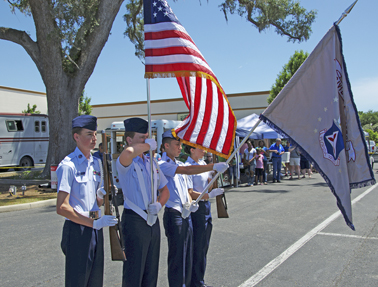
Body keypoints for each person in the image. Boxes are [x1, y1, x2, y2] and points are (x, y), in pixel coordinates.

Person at [158, 131, 228, 287]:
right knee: (178, 260)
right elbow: (189, 171)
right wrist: (214, 166)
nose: (180, 147)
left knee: (188, 257)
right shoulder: (163, 165)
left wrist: (191, 203)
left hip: (186, 213)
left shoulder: (179, 163)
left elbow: (186, 190)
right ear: (166, 146)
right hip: (174, 214)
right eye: (177, 144)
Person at [56, 115, 118, 287]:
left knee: (95, 281)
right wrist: (94, 223)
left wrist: (100, 197)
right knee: (78, 281)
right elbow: (62, 207)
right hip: (78, 230)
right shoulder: (69, 166)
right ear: (76, 137)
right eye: (89, 134)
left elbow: (95, 202)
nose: (94, 138)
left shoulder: (96, 163)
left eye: (95, 134)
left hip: (94, 228)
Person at [116, 118, 170, 287]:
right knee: (134, 272)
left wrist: (160, 204)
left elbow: (165, 190)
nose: (146, 141)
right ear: (129, 140)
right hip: (135, 220)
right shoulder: (125, 162)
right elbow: (127, 153)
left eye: (148, 137)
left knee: (151, 271)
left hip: (152, 220)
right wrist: (148, 146)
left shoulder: (151, 162)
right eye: (142, 138)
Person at [184, 145, 225, 287]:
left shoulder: (203, 164)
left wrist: (215, 175)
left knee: (203, 247)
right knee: (197, 247)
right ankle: (195, 282)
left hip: (206, 206)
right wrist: (208, 195)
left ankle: (199, 280)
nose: (204, 151)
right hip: (197, 208)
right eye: (200, 148)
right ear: (192, 150)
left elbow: (209, 186)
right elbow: (189, 192)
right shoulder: (188, 166)